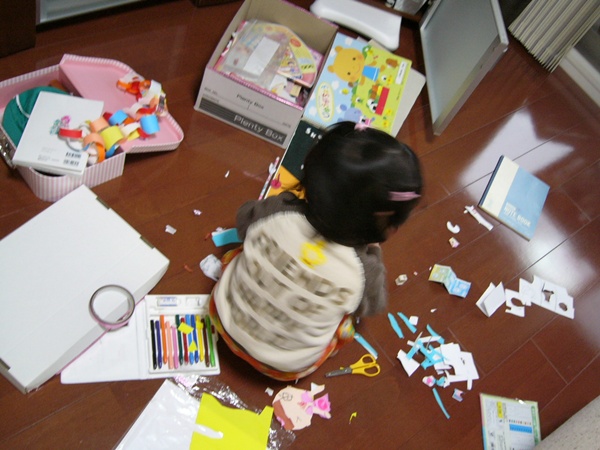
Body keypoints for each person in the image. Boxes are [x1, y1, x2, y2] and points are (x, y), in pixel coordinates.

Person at [209, 121, 423, 381]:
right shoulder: (365, 270)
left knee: (238, 252)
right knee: (347, 321)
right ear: (387, 224)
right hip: (283, 368)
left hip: (221, 319)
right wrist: (373, 253)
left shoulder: (277, 210)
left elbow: (244, 220)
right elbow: (372, 305)